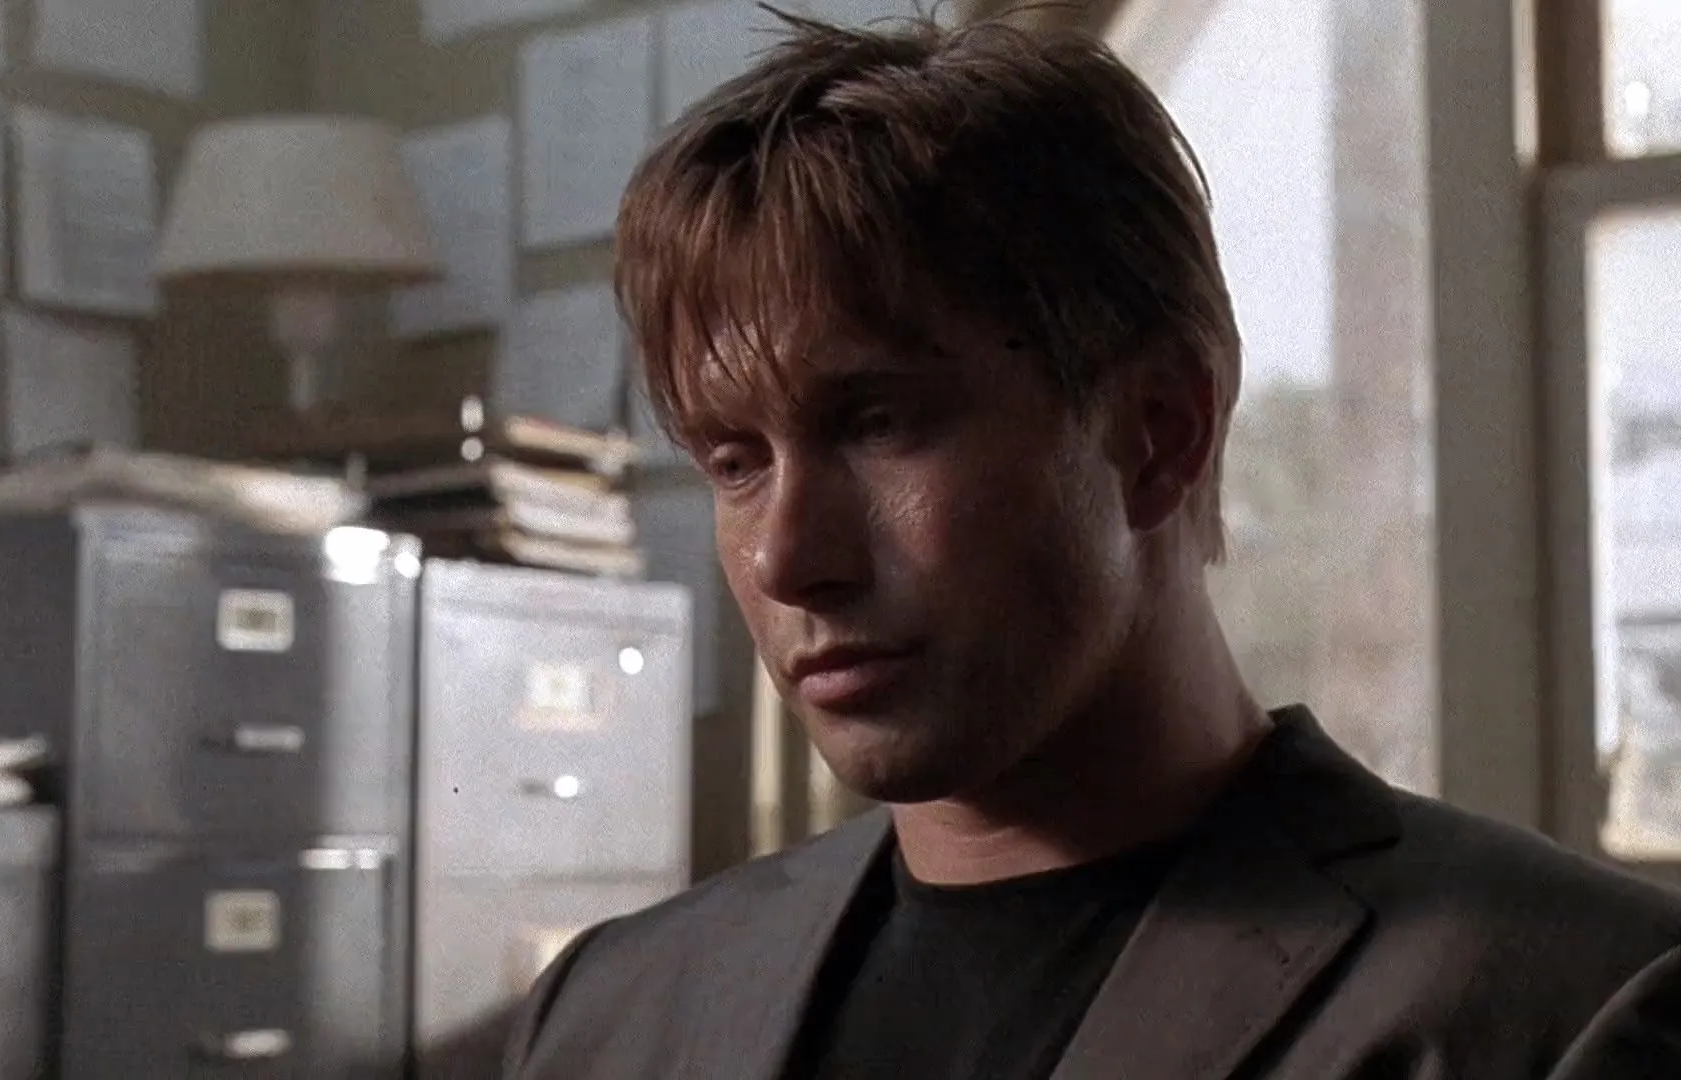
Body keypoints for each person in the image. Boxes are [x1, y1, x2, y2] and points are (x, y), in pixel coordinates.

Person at [501, 11, 1681, 1079]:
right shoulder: (610, 1015)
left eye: (880, 423)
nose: (784, 559)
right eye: (735, 463)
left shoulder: (1568, 1007)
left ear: (1159, 435)